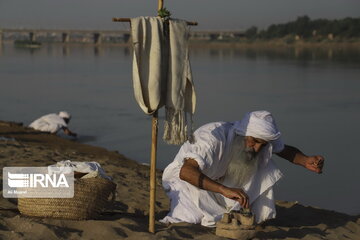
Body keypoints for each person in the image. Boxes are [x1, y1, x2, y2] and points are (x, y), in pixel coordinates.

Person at [160, 110, 324, 227]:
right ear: (241, 133)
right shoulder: (211, 137)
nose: (257, 147)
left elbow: (284, 150)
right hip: (185, 180)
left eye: (262, 143)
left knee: (265, 163)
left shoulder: (260, 141)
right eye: (253, 141)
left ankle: (254, 214)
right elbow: (186, 172)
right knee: (191, 218)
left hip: (218, 179)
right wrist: (224, 190)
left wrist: (305, 160)